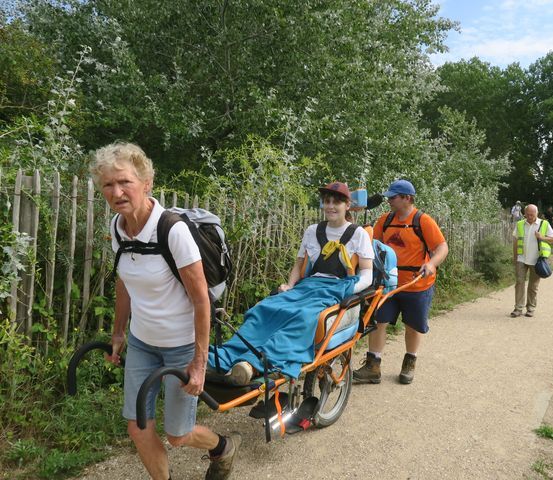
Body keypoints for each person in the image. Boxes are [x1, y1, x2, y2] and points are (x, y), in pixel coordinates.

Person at [91, 142, 239, 480]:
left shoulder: (173, 231)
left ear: (146, 183)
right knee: (138, 427)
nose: (117, 191)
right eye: (108, 185)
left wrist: (199, 364)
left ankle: (222, 447)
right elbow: (125, 281)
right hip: (143, 342)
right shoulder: (118, 227)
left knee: (179, 435)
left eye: (125, 182)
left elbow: (202, 300)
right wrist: (118, 333)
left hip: (181, 346)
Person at [210, 181, 374, 380]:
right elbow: (298, 266)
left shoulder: (359, 234)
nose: (330, 206)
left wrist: (348, 289)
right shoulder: (312, 231)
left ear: (347, 205)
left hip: (338, 287)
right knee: (264, 308)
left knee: (303, 316)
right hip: (308, 286)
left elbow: (367, 274)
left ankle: (256, 364)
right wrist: (289, 285)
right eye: (327, 201)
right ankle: (225, 357)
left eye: (336, 202)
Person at [353, 179, 448, 385]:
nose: (388, 201)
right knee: (379, 321)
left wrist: (431, 264)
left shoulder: (423, 221)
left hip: (417, 284)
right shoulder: (384, 221)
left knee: (412, 326)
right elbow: (370, 245)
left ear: (407, 198)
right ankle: (373, 366)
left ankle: (409, 362)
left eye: (393, 197)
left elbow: (442, 247)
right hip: (389, 284)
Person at [511, 204, 553, 318]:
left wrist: (542, 237)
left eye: (532, 214)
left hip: (536, 261)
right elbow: (516, 241)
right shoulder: (520, 224)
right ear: (524, 213)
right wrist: (515, 257)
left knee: (533, 286)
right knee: (519, 283)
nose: (530, 216)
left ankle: (530, 308)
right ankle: (518, 308)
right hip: (521, 259)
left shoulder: (544, 224)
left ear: (536, 213)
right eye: (528, 214)